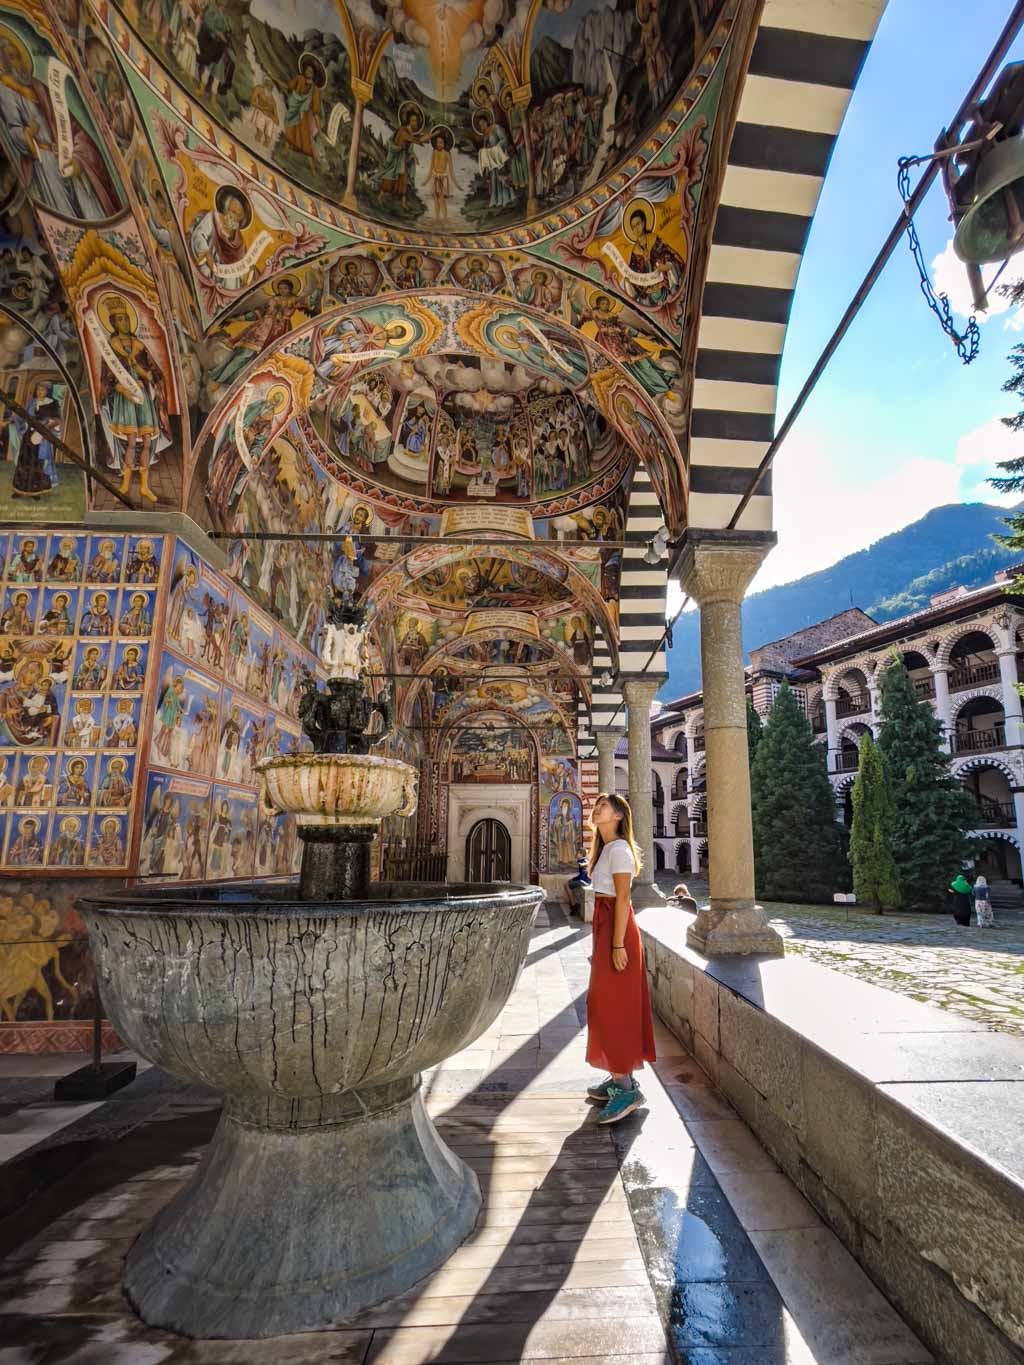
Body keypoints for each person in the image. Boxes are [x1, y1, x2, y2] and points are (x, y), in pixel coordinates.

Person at [584, 793, 656, 1123]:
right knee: (602, 1002)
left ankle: (627, 1088)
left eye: (604, 807)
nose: (597, 810)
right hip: (606, 926)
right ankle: (617, 1078)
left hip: (617, 929)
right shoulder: (606, 850)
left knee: (615, 1005)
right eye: (597, 806)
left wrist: (616, 946)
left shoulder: (620, 850)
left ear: (618, 816)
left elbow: (623, 898)